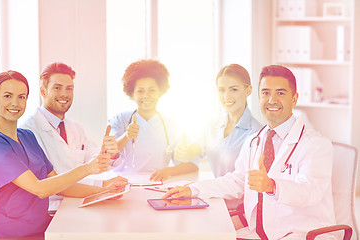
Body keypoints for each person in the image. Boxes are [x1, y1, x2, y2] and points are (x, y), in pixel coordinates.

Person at [164, 65, 336, 239]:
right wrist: (192, 190)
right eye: (266, 93)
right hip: (260, 233)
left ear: (294, 98)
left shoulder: (316, 145)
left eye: (280, 93)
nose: (272, 100)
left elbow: (310, 192)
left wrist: (272, 186)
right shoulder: (254, 141)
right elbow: (237, 181)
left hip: (301, 233)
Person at [0, 71, 128, 239]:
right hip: (14, 236)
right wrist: (87, 169)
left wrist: (103, 192)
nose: (15, 103)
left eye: (21, 97)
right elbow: (40, 189)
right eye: (7, 96)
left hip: (45, 230)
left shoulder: (27, 137)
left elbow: (60, 184)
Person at [108, 59, 198, 181]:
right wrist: (127, 136)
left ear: (160, 91)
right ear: (132, 93)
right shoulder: (120, 120)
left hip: (157, 184)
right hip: (122, 184)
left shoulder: (172, 125)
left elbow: (192, 165)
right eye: (140, 91)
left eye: (152, 90)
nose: (146, 95)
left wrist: (169, 171)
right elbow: (109, 153)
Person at [22, 62, 119, 174]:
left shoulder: (76, 128)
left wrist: (110, 153)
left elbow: (93, 158)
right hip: (55, 192)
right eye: (57, 88)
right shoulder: (28, 131)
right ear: (43, 92)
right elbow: (43, 181)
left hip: (85, 190)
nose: (64, 94)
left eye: (69, 88)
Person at [174, 64, 262, 178]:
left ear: (248, 90)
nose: (226, 96)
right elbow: (194, 150)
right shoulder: (211, 127)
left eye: (234, 89)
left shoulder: (257, 133)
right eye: (221, 90)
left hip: (241, 195)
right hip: (215, 193)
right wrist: (185, 153)